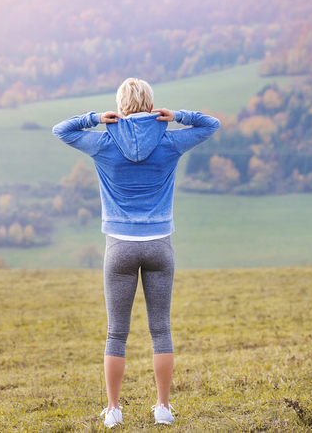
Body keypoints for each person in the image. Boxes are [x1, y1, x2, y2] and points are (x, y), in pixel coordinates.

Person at [52, 78, 219, 428]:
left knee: (117, 333)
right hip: (160, 244)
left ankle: (113, 410)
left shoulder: (103, 143)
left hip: (119, 247)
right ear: (151, 104)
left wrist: (95, 118)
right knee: (161, 330)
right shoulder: (170, 140)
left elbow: (61, 130)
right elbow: (211, 124)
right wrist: (177, 115)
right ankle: (162, 407)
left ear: (121, 105)